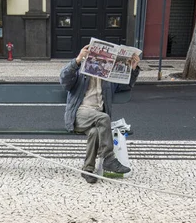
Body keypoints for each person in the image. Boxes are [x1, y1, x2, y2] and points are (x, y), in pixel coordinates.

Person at [60, 45, 141, 184]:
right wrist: (78, 60)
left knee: (95, 132)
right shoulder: (79, 72)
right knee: (104, 118)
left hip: (96, 118)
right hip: (79, 114)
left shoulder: (107, 78)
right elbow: (64, 80)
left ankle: (87, 170)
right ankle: (108, 158)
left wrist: (132, 68)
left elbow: (125, 86)